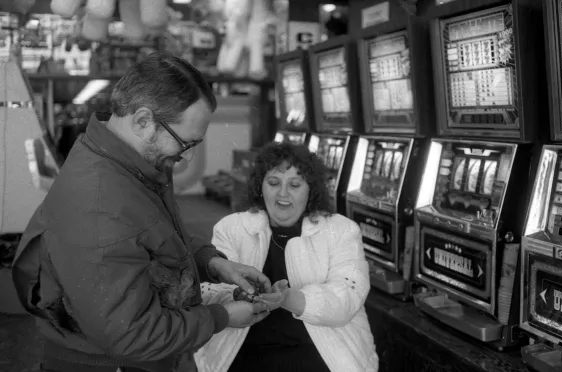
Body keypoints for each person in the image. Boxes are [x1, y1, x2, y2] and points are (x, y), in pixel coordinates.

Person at [11, 52, 272, 372]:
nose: (187, 158)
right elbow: (133, 334)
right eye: (185, 144)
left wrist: (212, 263)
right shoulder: (99, 207)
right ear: (143, 120)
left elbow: (150, 236)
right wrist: (223, 316)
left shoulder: (125, 161)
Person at [195, 142, 379, 372]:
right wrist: (235, 294)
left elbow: (346, 299)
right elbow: (206, 292)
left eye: (295, 184)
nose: (283, 193)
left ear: (311, 189)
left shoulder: (341, 230)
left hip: (321, 353)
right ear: (260, 186)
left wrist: (287, 298)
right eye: (273, 183)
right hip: (244, 352)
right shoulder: (232, 228)